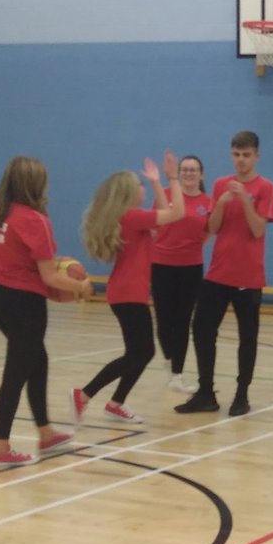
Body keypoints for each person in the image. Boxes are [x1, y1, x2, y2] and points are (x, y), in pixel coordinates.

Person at [0, 156, 93, 468]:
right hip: (24, 305)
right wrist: (82, 287)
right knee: (15, 374)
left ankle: (45, 433)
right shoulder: (35, 220)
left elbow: (20, 257)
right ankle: (0, 449)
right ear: (36, 184)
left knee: (37, 361)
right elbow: (50, 278)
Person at [72, 154, 184, 426]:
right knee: (140, 352)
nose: (143, 188)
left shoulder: (132, 217)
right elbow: (177, 213)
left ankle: (115, 403)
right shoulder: (131, 216)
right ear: (129, 192)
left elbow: (165, 216)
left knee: (141, 352)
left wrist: (156, 182)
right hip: (127, 293)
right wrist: (172, 178)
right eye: (140, 185)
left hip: (128, 292)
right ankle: (84, 395)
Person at [175, 131, 273, 417]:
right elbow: (213, 227)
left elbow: (257, 229)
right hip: (218, 272)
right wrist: (220, 204)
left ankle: (242, 394)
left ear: (256, 156)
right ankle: (205, 393)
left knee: (248, 337)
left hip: (248, 276)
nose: (240, 160)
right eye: (236, 155)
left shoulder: (266, 188)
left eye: (246, 155)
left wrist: (244, 199)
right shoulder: (221, 184)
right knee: (202, 329)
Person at [151, 154, 212, 394]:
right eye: (184, 169)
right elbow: (153, 226)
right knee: (163, 319)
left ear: (201, 174)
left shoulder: (207, 202)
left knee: (183, 320)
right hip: (161, 265)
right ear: (178, 173)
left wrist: (189, 249)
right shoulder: (165, 195)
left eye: (193, 169)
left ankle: (177, 374)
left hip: (191, 267)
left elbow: (207, 232)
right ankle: (169, 361)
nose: (188, 173)